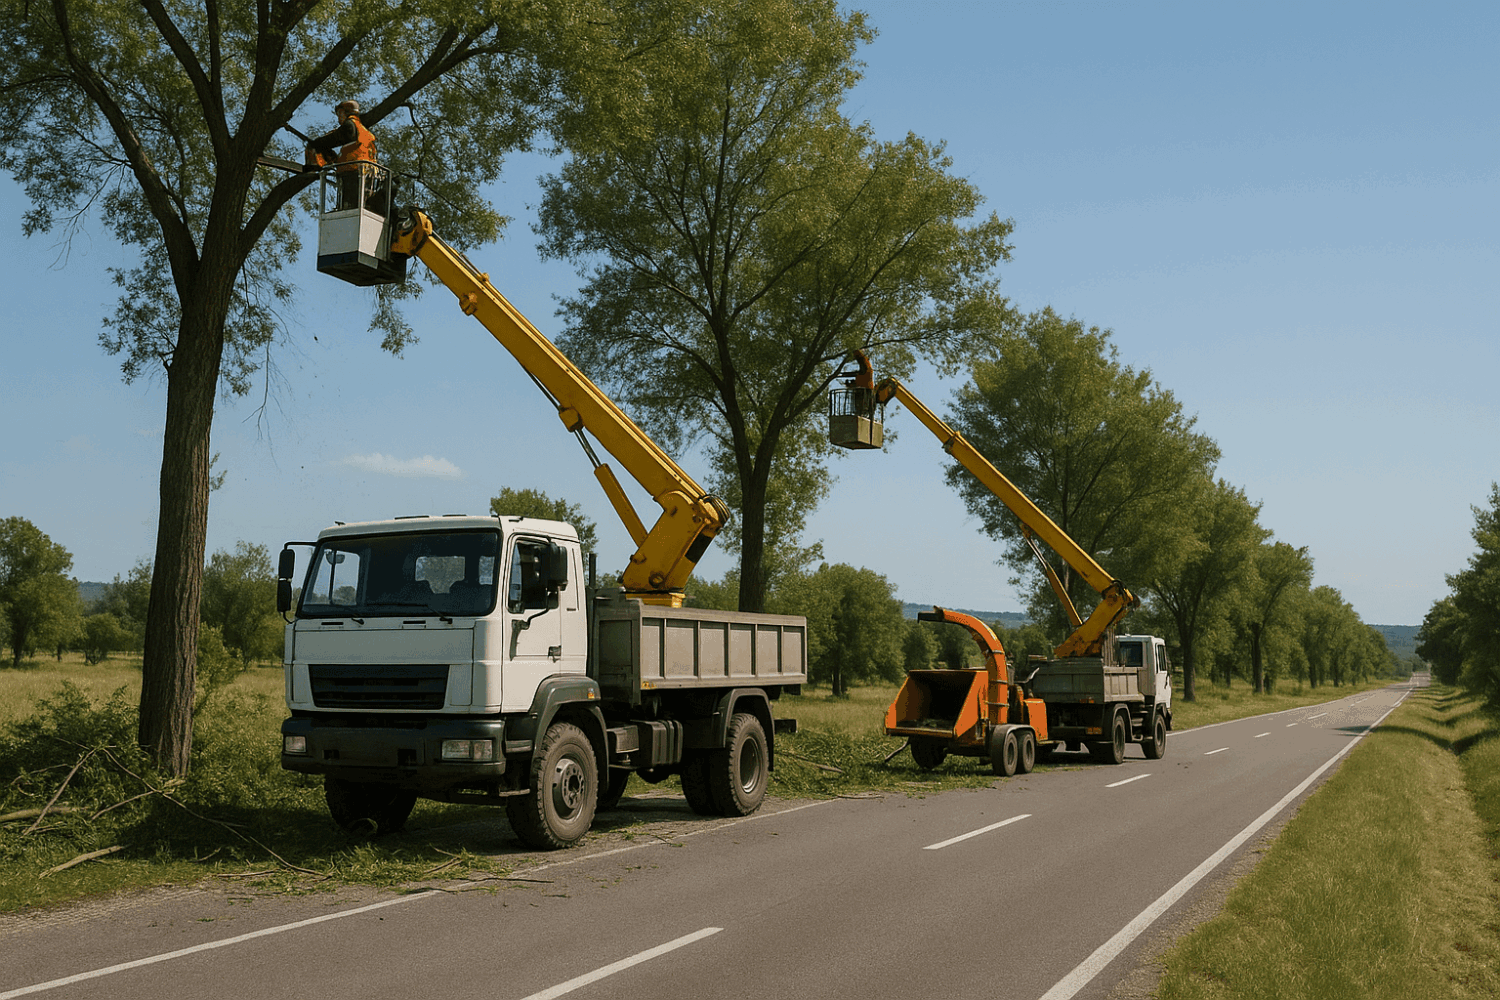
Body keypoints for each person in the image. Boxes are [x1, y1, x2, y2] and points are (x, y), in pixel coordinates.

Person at [307, 100, 377, 210]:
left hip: (352, 171)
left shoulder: (349, 125)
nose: (339, 117)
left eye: (340, 113)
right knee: (359, 203)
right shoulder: (363, 130)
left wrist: (315, 144)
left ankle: (311, 168)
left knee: (349, 206)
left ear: (346, 112)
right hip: (366, 172)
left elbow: (332, 139)